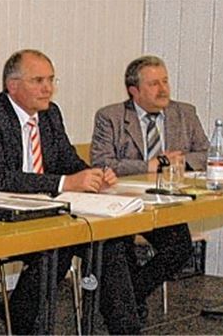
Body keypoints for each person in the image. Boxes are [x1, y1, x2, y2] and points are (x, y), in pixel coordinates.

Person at [0, 50, 140, 334]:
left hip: (48, 210)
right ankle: (22, 311)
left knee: (108, 244)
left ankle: (126, 330)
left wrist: (94, 175)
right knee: (59, 245)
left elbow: (67, 160)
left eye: (50, 79)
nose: (48, 88)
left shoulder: (50, 114)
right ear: (13, 86)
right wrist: (65, 183)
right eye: (38, 80)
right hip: (3, 215)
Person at [91, 55, 207, 322]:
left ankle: (126, 300)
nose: (163, 89)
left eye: (165, 81)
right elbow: (102, 162)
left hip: (166, 200)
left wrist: (175, 162)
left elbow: (205, 153)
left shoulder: (184, 112)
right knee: (120, 246)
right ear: (134, 90)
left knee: (179, 249)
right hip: (122, 202)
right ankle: (125, 308)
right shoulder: (111, 117)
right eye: (154, 83)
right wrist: (149, 165)